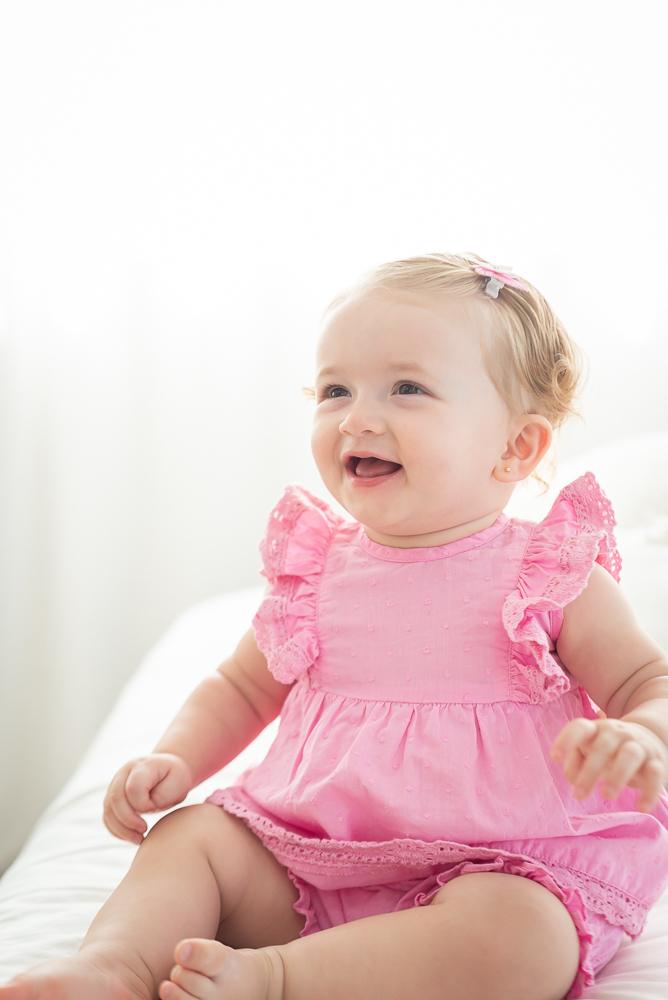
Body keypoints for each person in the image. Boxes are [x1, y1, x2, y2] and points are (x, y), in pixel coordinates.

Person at [4, 253, 668, 1000]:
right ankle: (115, 968)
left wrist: (642, 734)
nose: (356, 417)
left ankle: (277, 978)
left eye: (407, 388)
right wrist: (177, 758)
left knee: (524, 937)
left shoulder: (548, 573)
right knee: (191, 837)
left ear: (516, 447)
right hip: (310, 866)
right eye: (335, 390)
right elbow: (240, 688)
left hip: (497, 867)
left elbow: (649, 681)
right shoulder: (316, 569)